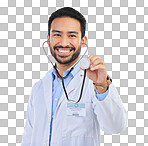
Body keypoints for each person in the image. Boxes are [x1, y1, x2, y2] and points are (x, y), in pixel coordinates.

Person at [21, 7, 127, 146]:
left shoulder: (93, 84)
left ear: (83, 41)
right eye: (57, 34)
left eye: (72, 35)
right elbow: (29, 137)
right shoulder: (38, 88)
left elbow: (115, 126)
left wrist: (102, 86)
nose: (64, 43)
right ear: (48, 39)